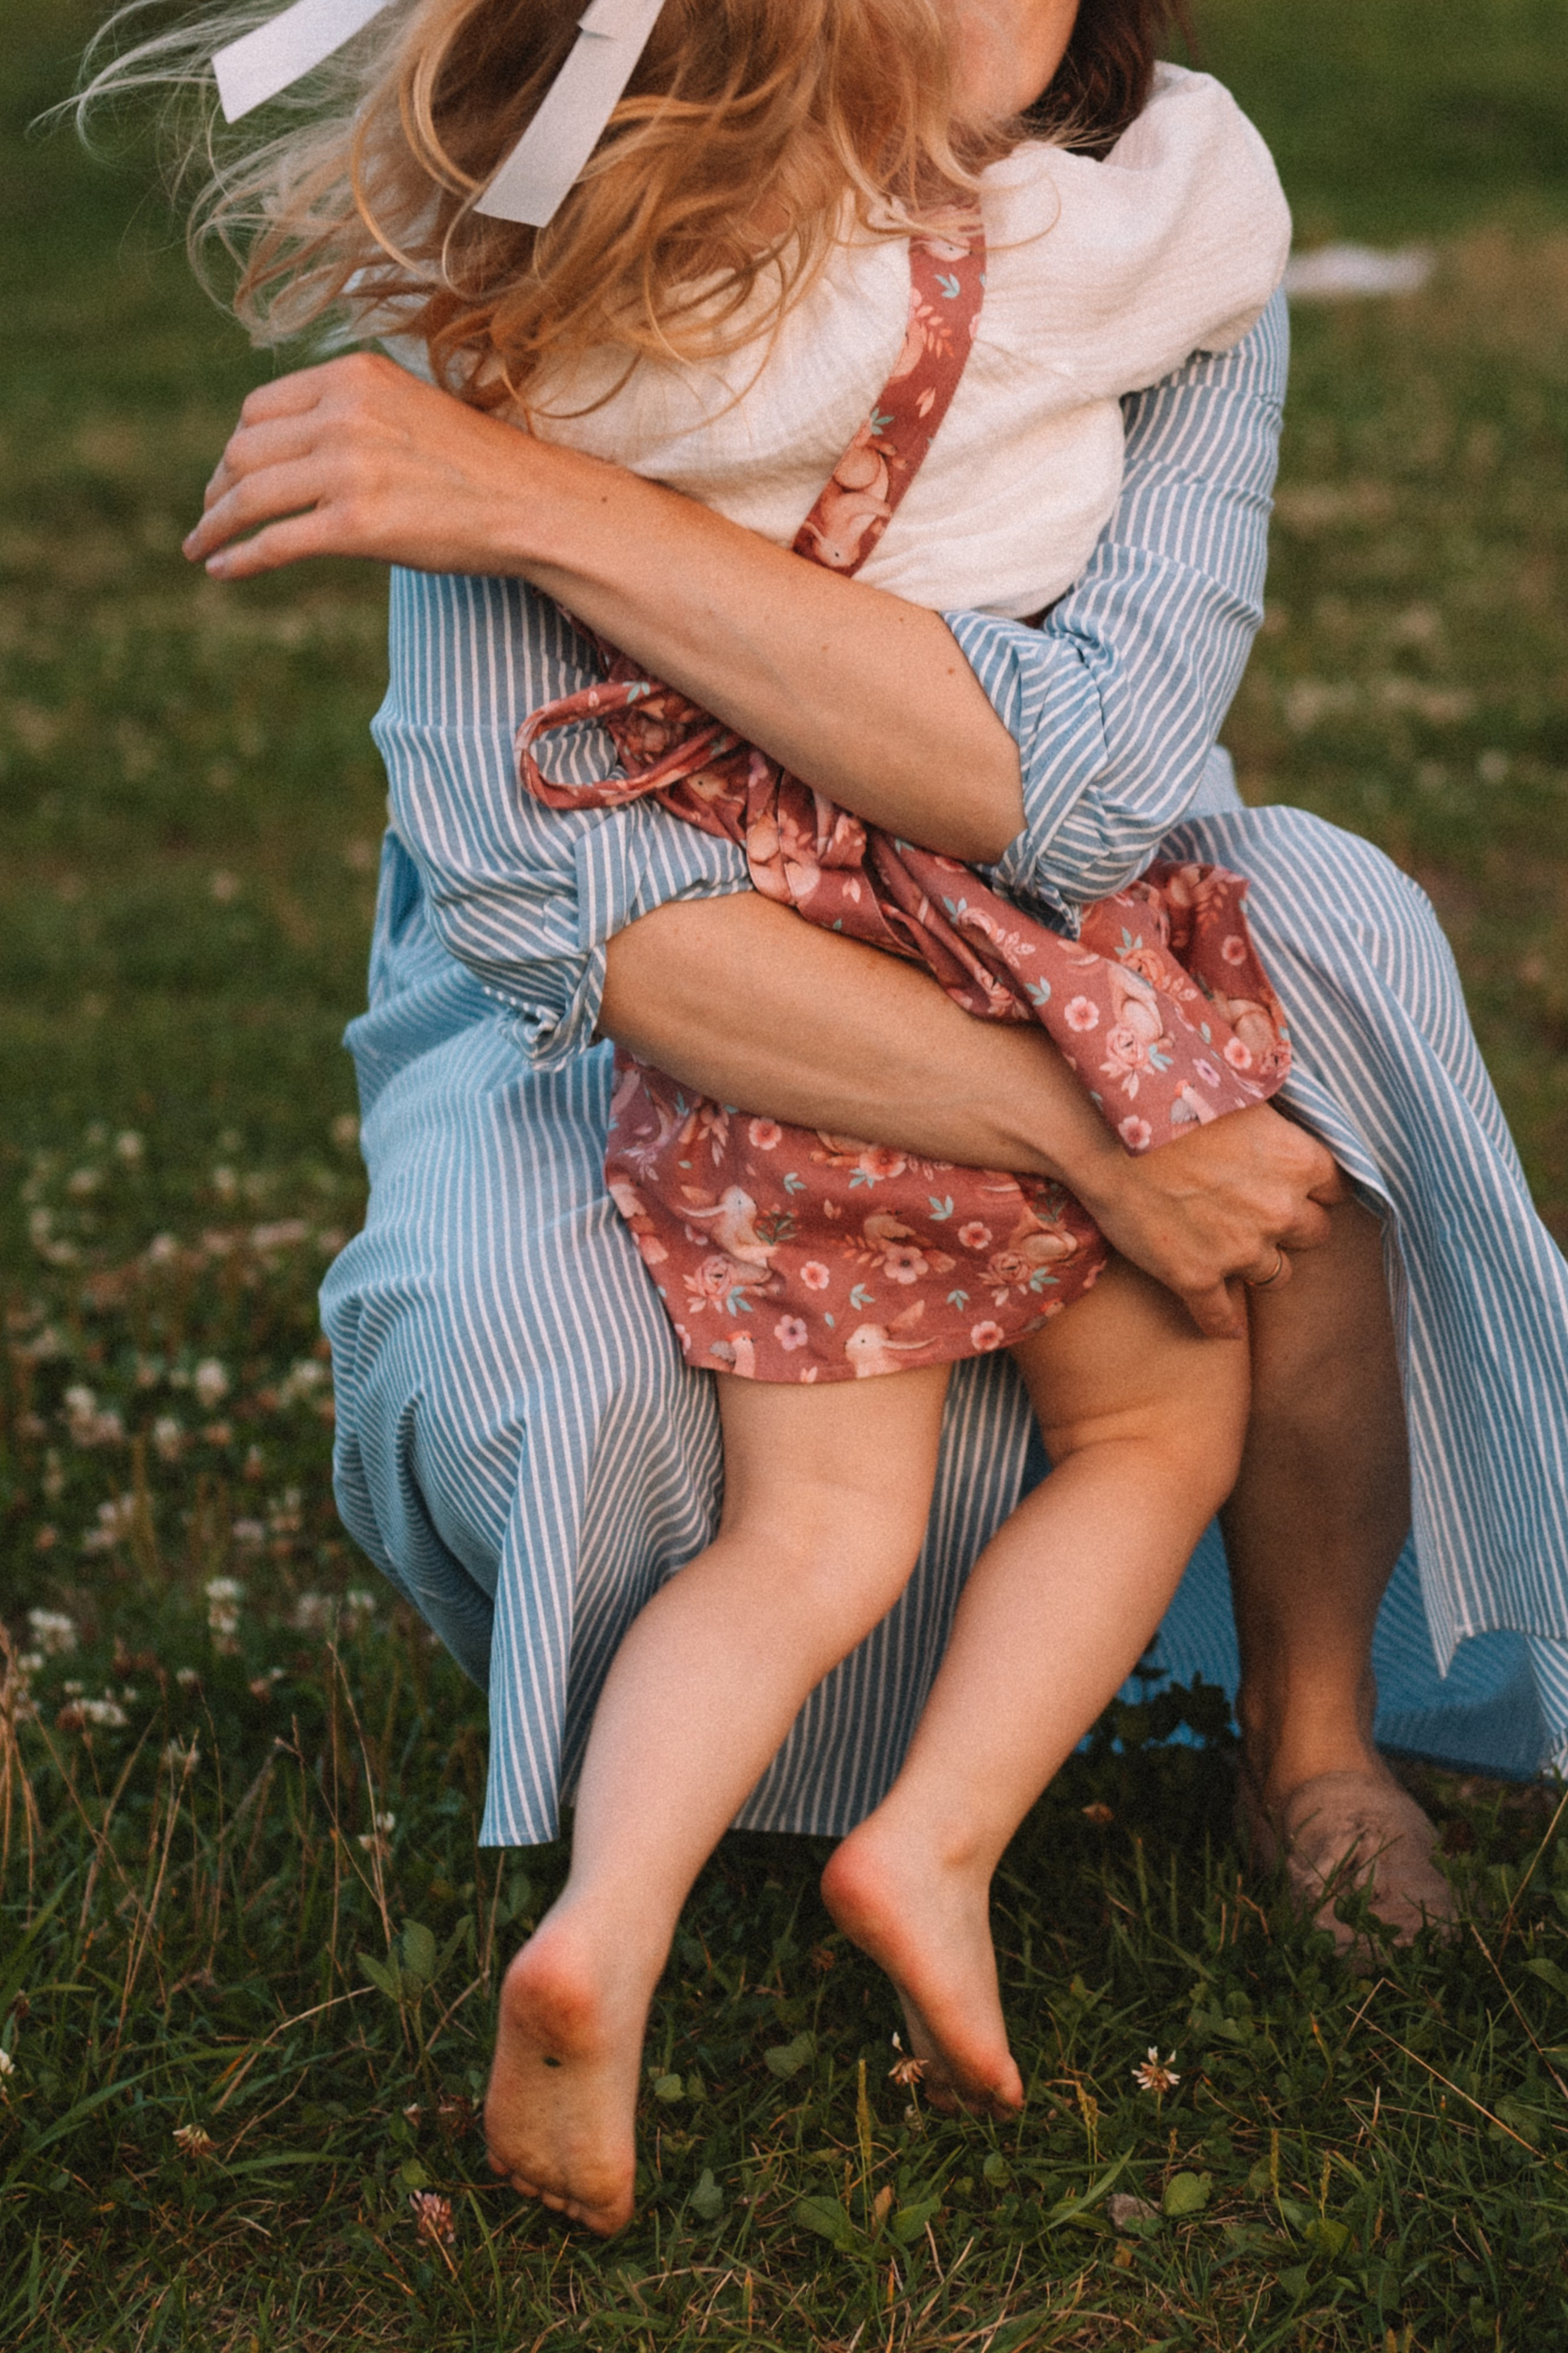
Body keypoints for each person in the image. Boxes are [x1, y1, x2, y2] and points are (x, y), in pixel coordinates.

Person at [86, 0, 1568, 2237]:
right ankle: (931, 1828)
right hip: (709, 999)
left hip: (793, 1037)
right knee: (1148, 1403)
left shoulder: (1136, 217)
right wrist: (1082, 1130)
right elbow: (558, 902)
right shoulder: (594, 244)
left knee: (821, 1517)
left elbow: (1116, 767)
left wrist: (544, 498)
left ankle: (1211, 1770)